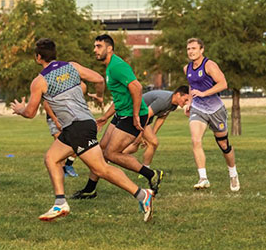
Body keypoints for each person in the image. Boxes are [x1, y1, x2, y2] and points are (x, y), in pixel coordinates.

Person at [11, 38, 154, 222]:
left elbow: (30, 113)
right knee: (51, 158)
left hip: (78, 127)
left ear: (38, 57)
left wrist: (19, 109)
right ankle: (60, 203)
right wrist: (100, 95)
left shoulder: (39, 81)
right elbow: (99, 79)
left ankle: (142, 195)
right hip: (79, 125)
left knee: (101, 169)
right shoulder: (72, 66)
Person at [72, 34, 164, 200]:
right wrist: (106, 117)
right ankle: (90, 189)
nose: (95, 50)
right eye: (95, 46)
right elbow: (120, 97)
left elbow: (136, 88)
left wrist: (136, 115)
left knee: (111, 154)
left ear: (109, 48)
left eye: (98, 46)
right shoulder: (110, 67)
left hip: (132, 116)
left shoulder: (116, 66)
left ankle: (151, 174)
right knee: (101, 150)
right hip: (122, 114)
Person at [184, 38, 240, 191]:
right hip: (198, 110)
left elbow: (223, 84)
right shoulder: (187, 68)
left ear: (202, 50)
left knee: (223, 144)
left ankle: (233, 173)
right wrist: (189, 102)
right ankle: (203, 178)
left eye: (194, 48)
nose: (191, 51)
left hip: (216, 110)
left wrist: (203, 93)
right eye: (188, 49)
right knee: (195, 140)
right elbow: (192, 86)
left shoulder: (209, 65)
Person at [122, 86, 190, 166]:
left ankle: (114, 156)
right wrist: (141, 134)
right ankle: (114, 156)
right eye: (186, 100)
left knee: (148, 143)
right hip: (134, 114)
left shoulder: (173, 104)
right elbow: (146, 115)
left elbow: (161, 118)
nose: (186, 103)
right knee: (146, 142)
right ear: (178, 95)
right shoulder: (164, 100)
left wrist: (152, 134)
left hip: (143, 117)